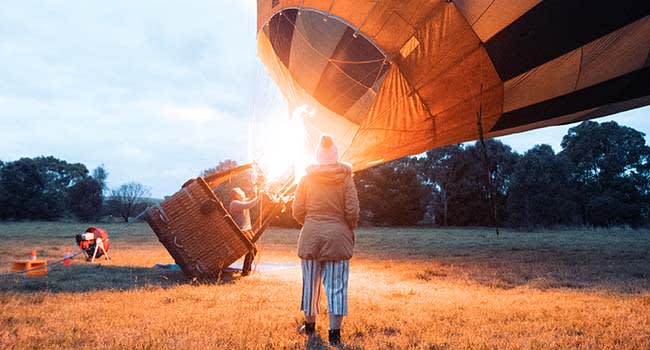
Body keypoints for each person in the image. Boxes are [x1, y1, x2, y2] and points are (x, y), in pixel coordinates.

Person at [292, 134, 360, 347]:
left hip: (310, 236)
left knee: (310, 285)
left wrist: (311, 223)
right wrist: (345, 227)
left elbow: (297, 210)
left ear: (318, 157)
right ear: (336, 157)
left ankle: (310, 328)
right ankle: (335, 336)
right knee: (337, 286)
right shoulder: (346, 178)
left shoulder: (306, 179)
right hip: (338, 238)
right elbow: (352, 210)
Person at [229, 186, 259, 276]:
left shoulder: (240, 201)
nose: (243, 192)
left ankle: (247, 269)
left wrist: (256, 190)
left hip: (246, 230)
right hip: (241, 231)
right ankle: (246, 271)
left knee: (254, 249)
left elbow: (250, 199)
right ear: (237, 195)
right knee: (251, 248)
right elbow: (249, 204)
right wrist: (259, 197)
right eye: (241, 192)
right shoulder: (235, 203)